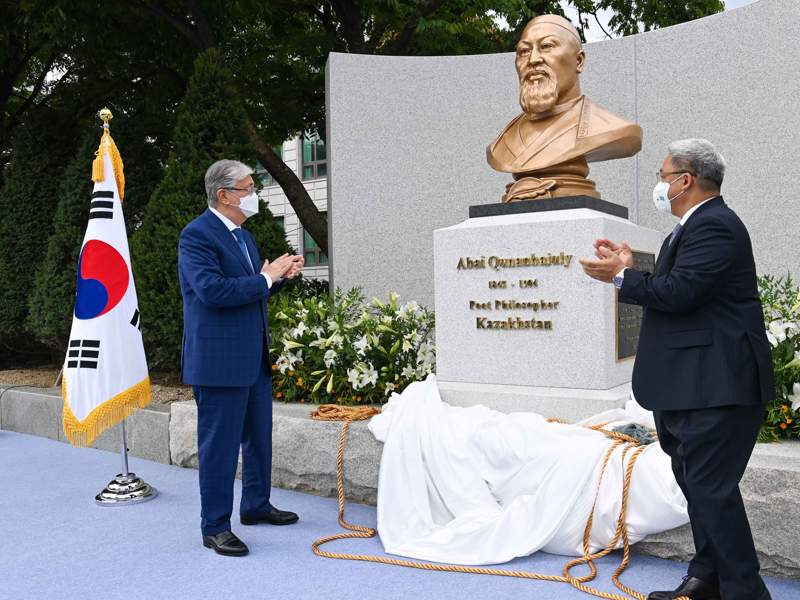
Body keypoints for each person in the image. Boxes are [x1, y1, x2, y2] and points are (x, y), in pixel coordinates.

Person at [579, 138, 775, 600]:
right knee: (701, 489)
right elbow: (678, 288)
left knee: (710, 490)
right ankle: (707, 579)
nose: (659, 185)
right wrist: (629, 265)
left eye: (662, 176)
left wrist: (622, 278)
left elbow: (682, 292)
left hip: (717, 388)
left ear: (685, 180)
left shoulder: (716, 226)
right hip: (690, 388)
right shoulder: (689, 230)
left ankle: (747, 593)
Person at [178, 159, 304, 556]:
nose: (255, 196)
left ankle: (255, 505)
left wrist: (277, 279)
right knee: (219, 446)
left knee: (258, 440)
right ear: (224, 195)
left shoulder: (244, 238)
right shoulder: (196, 236)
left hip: (252, 357)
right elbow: (213, 291)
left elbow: (251, 291)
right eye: (249, 188)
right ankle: (214, 526)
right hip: (218, 362)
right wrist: (266, 277)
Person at [486, 14, 641, 201]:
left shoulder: (611, 128)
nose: (533, 59)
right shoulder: (500, 144)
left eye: (547, 47)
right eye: (524, 51)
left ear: (579, 61)